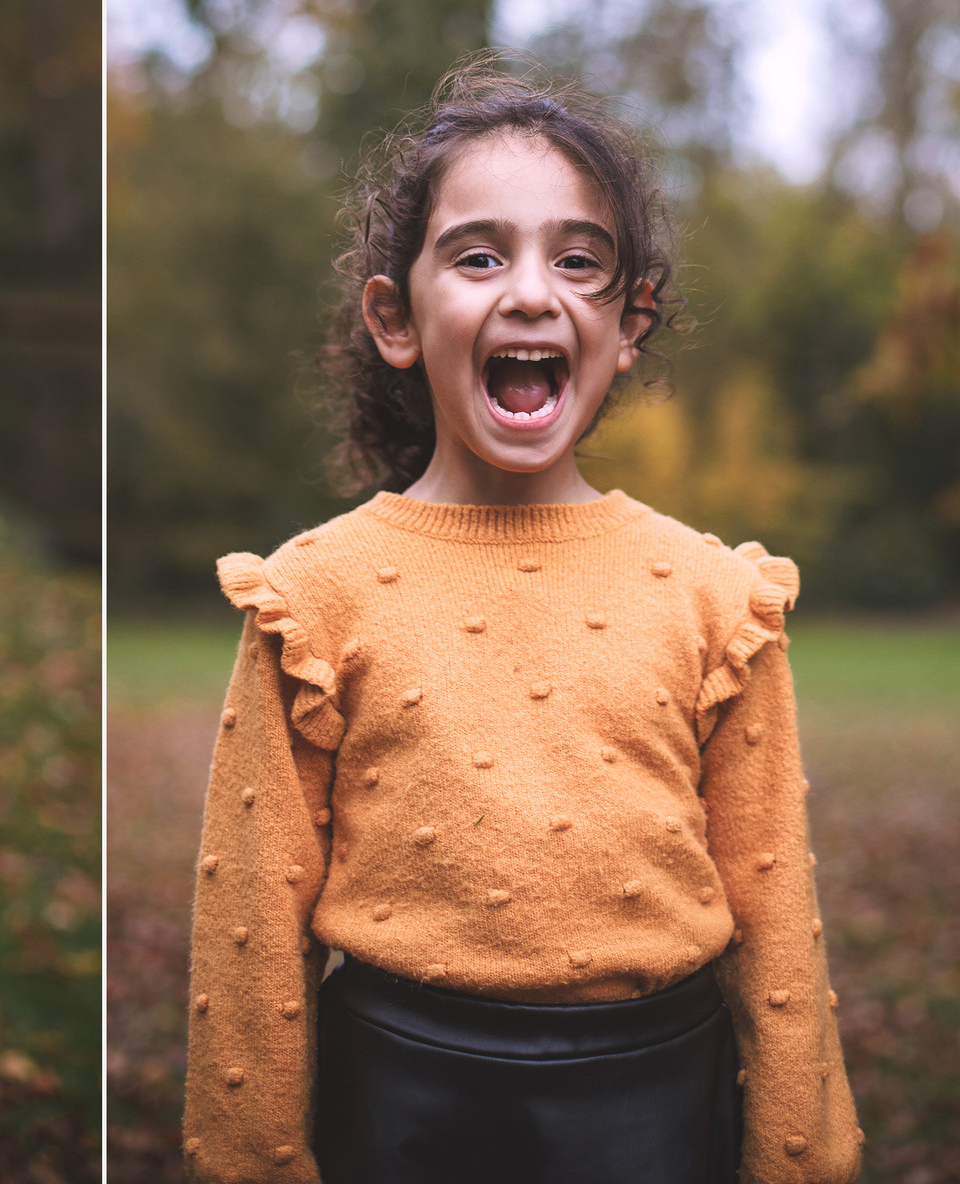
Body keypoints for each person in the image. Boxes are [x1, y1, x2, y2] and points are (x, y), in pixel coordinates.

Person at [181, 59, 861, 1183]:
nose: (533, 293)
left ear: (628, 323)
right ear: (397, 318)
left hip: (655, 1107)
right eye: (479, 255)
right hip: (398, 1106)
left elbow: (777, 907)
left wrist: (805, 1161)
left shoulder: (714, 595)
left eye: (578, 260)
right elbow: (249, 925)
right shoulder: (313, 594)